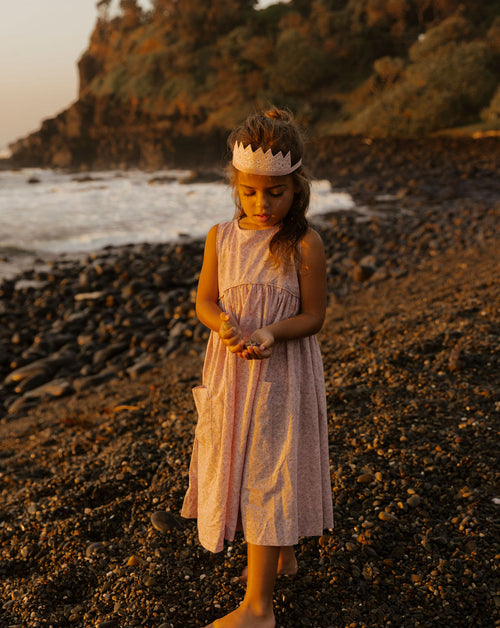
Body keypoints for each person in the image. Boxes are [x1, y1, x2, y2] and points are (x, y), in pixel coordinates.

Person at [181, 107, 333, 628]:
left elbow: (313, 316)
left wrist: (271, 332)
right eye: (249, 192)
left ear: (297, 188)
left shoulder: (304, 244)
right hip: (232, 372)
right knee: (241, 462)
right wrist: (220, 322)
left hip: (281, 376)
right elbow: (203, 301)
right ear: (235, 185)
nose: (261, 203)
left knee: (270, 472)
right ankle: (280, 551)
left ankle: (258, 608)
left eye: (275, 192)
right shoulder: (219, 238)